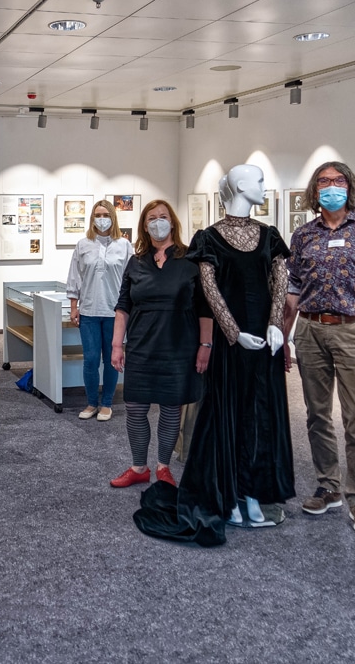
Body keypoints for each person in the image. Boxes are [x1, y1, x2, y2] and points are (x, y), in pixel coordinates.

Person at [134, 165, 295, 547]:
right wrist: (233, 333)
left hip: (265, 342)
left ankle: (255, 492)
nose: (263, 186)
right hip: (230, 344)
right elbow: (209, 289)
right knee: (228, 416)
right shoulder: (208, 238)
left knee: (262, 416)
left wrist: (275, 325)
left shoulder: (269, 235)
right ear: (240, 186)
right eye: (258, 180)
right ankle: (230, 493)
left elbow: (281, 280)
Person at [282, 161, 355, 537]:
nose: (332, 186)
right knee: (316, 414)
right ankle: (328, 485)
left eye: (339, 180)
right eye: (325, 181)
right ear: (315, 190)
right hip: (311, 330)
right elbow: (293, 289)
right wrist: (284, 336)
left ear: (350, 187)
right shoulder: (303, 236)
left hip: (353, 331)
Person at [110, 200, 213, 489]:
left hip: (179, 347)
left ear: (173, 222)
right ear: (145, 225)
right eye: (152, 218)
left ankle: (163, 467)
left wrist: (206, 345)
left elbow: (206, 308)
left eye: (163, 217)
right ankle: (139, 467)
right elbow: (123, 306)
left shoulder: (190, 261)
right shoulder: (136, 261)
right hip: (142, 346)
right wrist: (117, 345)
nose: (158, 222)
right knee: (135, 408)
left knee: (170, 409)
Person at [65, 200, 132, 421]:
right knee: (91, 360)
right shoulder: (83, 244)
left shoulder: (124, 245)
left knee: (113, 359)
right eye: (97, 214)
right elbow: (75, 277)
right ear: (92, 218)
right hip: (89, 312)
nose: (101, 218)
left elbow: (131, 280)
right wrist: (74, 307)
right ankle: (92, 402)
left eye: (105, 214)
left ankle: (107, 403)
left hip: (115, 313)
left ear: (113, 217)